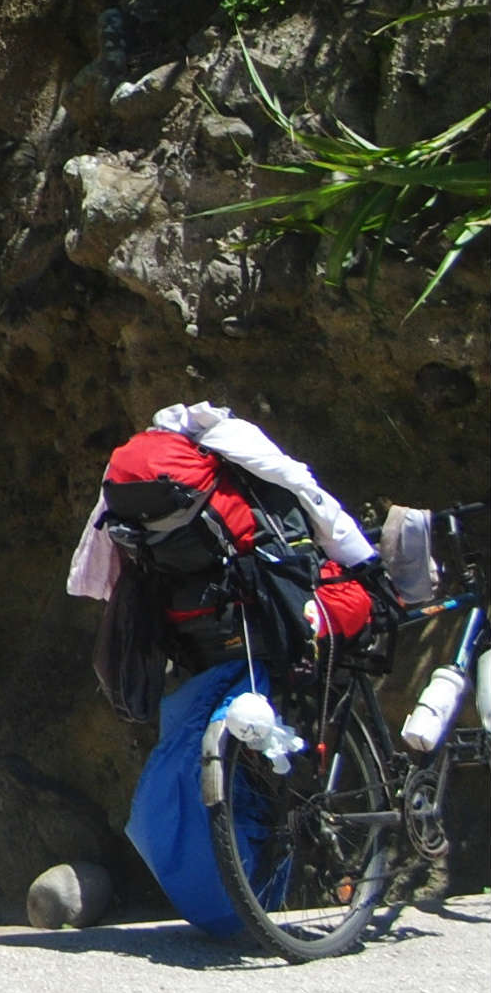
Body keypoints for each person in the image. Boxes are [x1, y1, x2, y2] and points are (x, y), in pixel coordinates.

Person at [67, 400, 385, 936]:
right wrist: (365, 562)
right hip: (271, 617)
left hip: (200, 634)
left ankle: (230, 897)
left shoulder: (130, 474)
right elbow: (307, 493)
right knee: (353, 605)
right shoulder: (231, 445)